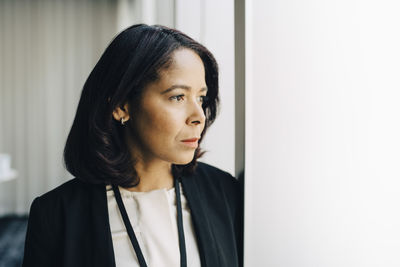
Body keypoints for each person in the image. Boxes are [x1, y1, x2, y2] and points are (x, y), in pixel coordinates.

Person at [22, 24, 243, 267]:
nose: (198, 115)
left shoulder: (224, 192)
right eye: (178, 97)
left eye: (200, 97)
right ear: (121, 106)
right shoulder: (56, 216)